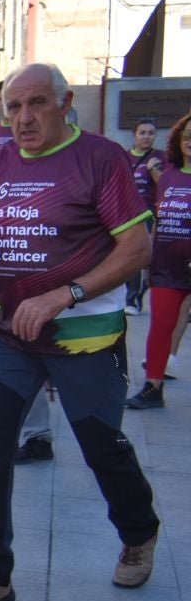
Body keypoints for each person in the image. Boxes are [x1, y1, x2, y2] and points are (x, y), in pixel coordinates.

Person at [0, 64, 160, 601]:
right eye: (13, 107)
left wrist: (62, 295)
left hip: (85, 334)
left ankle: (138, 530)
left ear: (64, 102)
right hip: (10, 330)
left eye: (37, 104)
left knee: (101, 445)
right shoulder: (1, 160)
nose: (24, 118)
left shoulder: (102, 158)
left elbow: (136, 250)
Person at [126, 113, 191, 410]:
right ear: (178, 139)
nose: (190, 140)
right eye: (186, 134)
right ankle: (153, 387)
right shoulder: (167, 175)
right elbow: (158, 218)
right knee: (161, 326)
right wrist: (148, 256)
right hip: (168, 265)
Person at [125, 118, 166, 316]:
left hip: (147, 213)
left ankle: (134, 298)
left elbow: (166, 185)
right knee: (126, 257)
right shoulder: (124, 157)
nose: (146, 137)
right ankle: (130, 296)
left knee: (141, 257)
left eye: (151, 133)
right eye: (142, 133)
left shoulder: (160, 158)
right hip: (124, 214)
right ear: (134, 135)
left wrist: (153, 169)